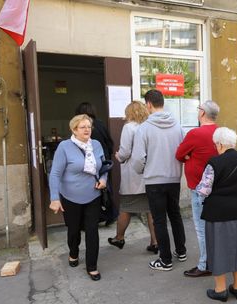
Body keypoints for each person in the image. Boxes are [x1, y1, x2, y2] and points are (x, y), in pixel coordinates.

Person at [130, 89, 187, 271]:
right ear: (162, 102)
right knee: (175, 215)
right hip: (174, 178)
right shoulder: (178, 126)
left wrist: (141, 170)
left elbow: (138, 158)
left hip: (154, 180)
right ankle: (181, 250)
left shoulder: (144, 128)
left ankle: (165, 260)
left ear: (148, 104)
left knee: (159, 220)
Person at [195, 127, 237, 302]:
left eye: (216, 144)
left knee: (218, 248)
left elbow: (203, 190)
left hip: (218, 213)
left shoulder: (214, 163)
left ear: (220, 144)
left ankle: (220, 290)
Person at [48, 114, 107, 281]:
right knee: (74, 230)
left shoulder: (96, 145)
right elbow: (55, 174)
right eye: (83, 127)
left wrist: (103, 180)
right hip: (70, 196)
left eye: (89, 126)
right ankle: (73, 253)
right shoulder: (64, 147)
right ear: (74, 129)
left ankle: (92, 266)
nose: (87, 129)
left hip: (93, 195)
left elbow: (103, 167)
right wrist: (54, 198)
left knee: (92, 231)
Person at [175, 100, 220, 277]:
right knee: (215, 227)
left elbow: (179, 154)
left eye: (198, 110)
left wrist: (189, 157)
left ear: (202, 113)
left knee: (202, 228)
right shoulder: (219, 132)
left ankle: (205, 265)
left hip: (199, 187)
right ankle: (214, 260)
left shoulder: (196, 133)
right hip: (216, 186)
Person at [107, 101, 158, 253]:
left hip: (134, 176)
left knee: (126, 207)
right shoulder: (150, 126)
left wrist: (119, 157)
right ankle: (155, 242)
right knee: (151, 210)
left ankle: (119, 238)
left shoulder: (129, 127)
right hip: (150, 174)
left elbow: (125, 151)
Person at [75, 102, 116, 225]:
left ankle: (95, 217)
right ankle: (110, 215)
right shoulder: (100, 124)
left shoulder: (81, 127)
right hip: (103, 162)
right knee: (105, 190)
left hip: (90, 163)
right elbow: (110, 143)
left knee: (90, 191)